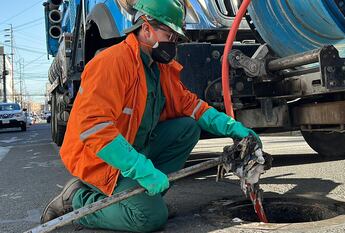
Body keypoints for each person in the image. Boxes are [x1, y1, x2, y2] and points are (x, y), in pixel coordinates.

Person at [40, 0, 261, 232]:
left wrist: (233, 127)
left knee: (188, 128)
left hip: (133, 147)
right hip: (100, 159)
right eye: (170, 35)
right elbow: (94, 129)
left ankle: (147, 197)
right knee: (149, 219)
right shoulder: (111, 63)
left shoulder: (160, 68)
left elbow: (192, 106)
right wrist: (140, 168)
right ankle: (77, 200)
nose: (173, 43)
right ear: (146, 29)